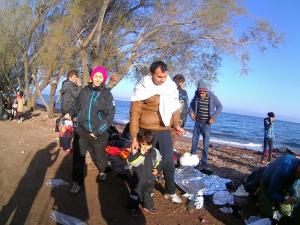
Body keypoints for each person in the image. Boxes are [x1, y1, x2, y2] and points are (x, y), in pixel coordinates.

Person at [130, 61, 185, 203]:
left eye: (165, 76)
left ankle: (170, 191)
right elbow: (134, 115)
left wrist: (176, 125)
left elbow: (174, 108)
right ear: (151, 74)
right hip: (146, 131)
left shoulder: (170, 86)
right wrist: (134, 138)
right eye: (159, 76)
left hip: (164, 130)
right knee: (146, 163)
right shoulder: (142, 87)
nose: (163, 79)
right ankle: (146, 190)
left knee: (168, 162)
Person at [66, 66, 115, 195]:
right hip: (81, 130)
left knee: (99, 157)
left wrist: (98, 131)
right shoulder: (84, 91)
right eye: (96, 76)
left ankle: (103, 170)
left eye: (101, 77)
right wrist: (69, 114)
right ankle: (77, 183)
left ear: (103, 79)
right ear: (92, 77)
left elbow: (110, 117)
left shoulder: (107, 94)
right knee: (78, 158)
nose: (98, 79)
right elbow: (76, 107)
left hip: (98, 133)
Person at [128, 130, 162, 216]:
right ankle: (133, 208)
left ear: (152, 143)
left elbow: (158, 161)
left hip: (150, 179)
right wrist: (141, 155)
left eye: (148, 145)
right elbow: (133, 163)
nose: (145, 147)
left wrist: (157, 169)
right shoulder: (135, 152)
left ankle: (148, 206)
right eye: (143, 144)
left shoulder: (155, 152)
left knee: (149, 193)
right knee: (135, 194)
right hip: (138, 180)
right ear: (139, 142)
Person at [189, 79, 222, 167]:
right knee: (194, 141)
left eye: (203, 91)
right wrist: (191, 113)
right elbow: (191, 106)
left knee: (205, 143)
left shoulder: (212, 96)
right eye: (200, 91)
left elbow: (220, 107)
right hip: (197, 122)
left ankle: (203, 161)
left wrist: (214, 118)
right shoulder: (196, 96)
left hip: (207, 124)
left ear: (206, 90)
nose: (201, 93)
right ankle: (192, 159)